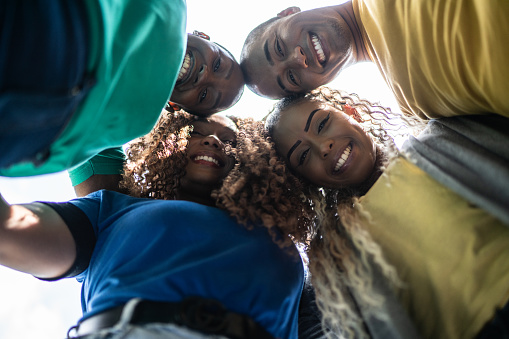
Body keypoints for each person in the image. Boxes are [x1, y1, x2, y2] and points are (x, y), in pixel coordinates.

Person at [0, 110, 304, 339]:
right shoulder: (109, 209)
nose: (212, 141)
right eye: (195, 132)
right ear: (167, 147)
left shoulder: (282, 240)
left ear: (253, 160)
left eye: (230, 141)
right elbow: (11, 231)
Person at [261, 87, 509, 338]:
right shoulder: (338, 250)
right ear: (307, 181)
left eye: (322, 123)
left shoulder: (440, 141)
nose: (323, 148)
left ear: (352, 112)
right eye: (303, 155)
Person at [1, 2, 244, 177]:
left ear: (173, 106)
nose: (205, 75)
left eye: (204, 95)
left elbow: (70, 151)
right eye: (218, 64)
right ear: (201, 35)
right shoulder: (169, 7)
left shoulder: (137, 124)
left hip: (34, 122)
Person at [240, 0, 509, 120]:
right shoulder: (417, 106)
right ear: (314, 88)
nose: (297, 58)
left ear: (288, 12)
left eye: (277, 46)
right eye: (291, 78)